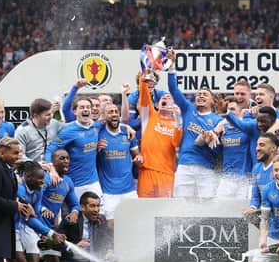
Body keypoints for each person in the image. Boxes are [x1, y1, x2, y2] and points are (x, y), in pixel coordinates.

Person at [167, 51, 223, 198]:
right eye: (198, 94)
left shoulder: (218, 121)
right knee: (181, 205)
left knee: (206, 206)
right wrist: (171, 65)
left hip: (206, 168)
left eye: (205, 94)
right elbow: (173, 89)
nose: (201, 95)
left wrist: (208, 141)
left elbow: (218, 150)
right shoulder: (187, 109)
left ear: (213, 101)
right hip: (185, 165)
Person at [135, 72, 182, 198]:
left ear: (175, 104)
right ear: (157, 103)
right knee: (144, 209)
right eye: (163, 98)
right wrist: (143, 79)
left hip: (166, 173)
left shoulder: (177, 123)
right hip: (147, 170)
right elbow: (144, 95)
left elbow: (176, 143)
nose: (165, 99)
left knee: (163, 212)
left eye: (169, 98)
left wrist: (178, 118)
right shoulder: (149, 114)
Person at [46, 97, 102, 199]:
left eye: (88, 107)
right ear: (75, 111)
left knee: (99, 213)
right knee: (76, 213)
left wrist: (127, 127)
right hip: (74, 184)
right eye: (82, 107)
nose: (85, 109)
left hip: (94, 182)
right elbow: (50, 150)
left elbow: (113, 122)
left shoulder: (96, 126)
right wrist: (51, 170)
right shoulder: (68, 131)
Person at [97, 103, 141, 231]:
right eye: (110, 112)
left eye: (116, 111)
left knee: (134, 222)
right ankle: (113, 250)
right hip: (108, 190)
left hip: (129, 189)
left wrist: (139, 158)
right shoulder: (99, 133)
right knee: (111, 226)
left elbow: (137, 155)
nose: (115, 114)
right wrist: (97, 149)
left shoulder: (128, 133)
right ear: (104, 116)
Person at [15, 98, 64, 162]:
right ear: (36, 116)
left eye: (51, 113)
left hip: (51, 167)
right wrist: (37, 164)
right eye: (47, 115)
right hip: (32, 169)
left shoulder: (54, 124)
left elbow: (72, 127)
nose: (51, 116)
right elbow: (19, 156)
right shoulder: (22, 131)